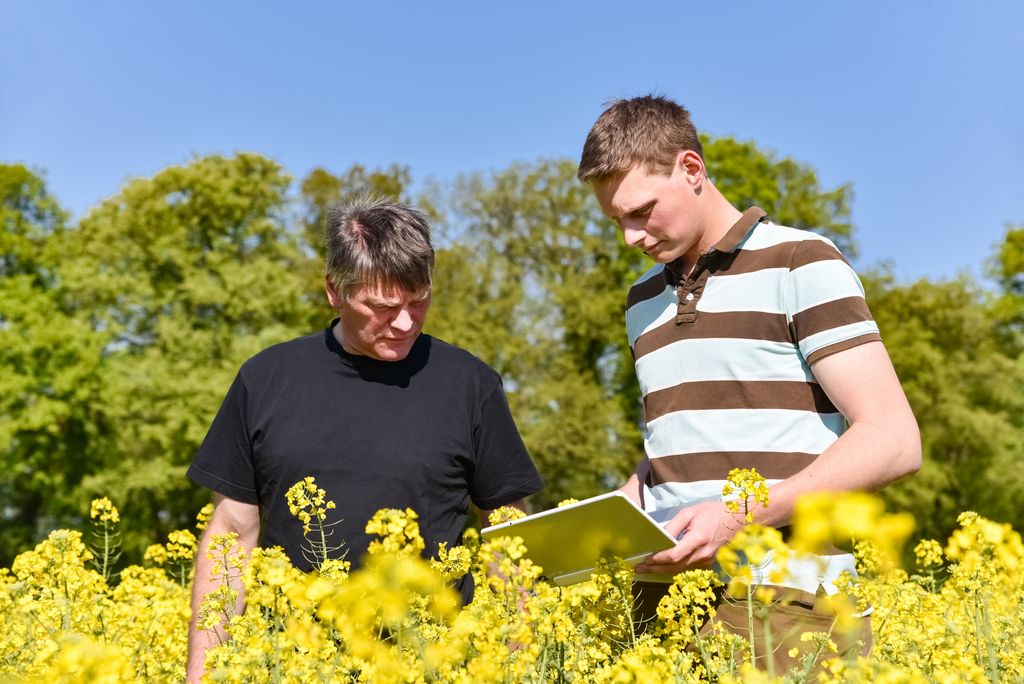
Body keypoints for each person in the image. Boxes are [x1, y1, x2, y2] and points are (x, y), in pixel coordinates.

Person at [577, 95, 921, 669]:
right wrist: (625, 503)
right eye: (617, 221)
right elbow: (679, 446)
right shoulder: (641, 302)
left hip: (785, 602)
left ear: (691, 169)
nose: (630, 237)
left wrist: (739, 514)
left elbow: (893, 439)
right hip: (660, 605)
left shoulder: (801, 261)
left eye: (641, 213)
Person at [184, 197, 543, 682]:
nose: (404, 323)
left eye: (419, 301)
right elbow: (230, 533)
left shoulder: (470, 384)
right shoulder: (265, 379)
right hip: (293, 664)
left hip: (432, 664)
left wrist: (518, 661)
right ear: (334, 290)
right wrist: (203, 673)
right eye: (381, 306)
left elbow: (508, 532)